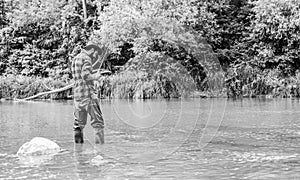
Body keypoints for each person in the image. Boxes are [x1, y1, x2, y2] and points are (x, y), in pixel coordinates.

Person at [71, 43, 106, 144]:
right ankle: (100, 151)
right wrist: (96, 77)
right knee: (98, 123)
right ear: (92, 50)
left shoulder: (75, 59)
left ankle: (78, 152)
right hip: (88, 96)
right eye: (96, 53)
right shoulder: (87, 58)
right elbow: (85, 75)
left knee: (78, 125)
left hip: (77, 96)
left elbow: (78, 77)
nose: (96, 56)